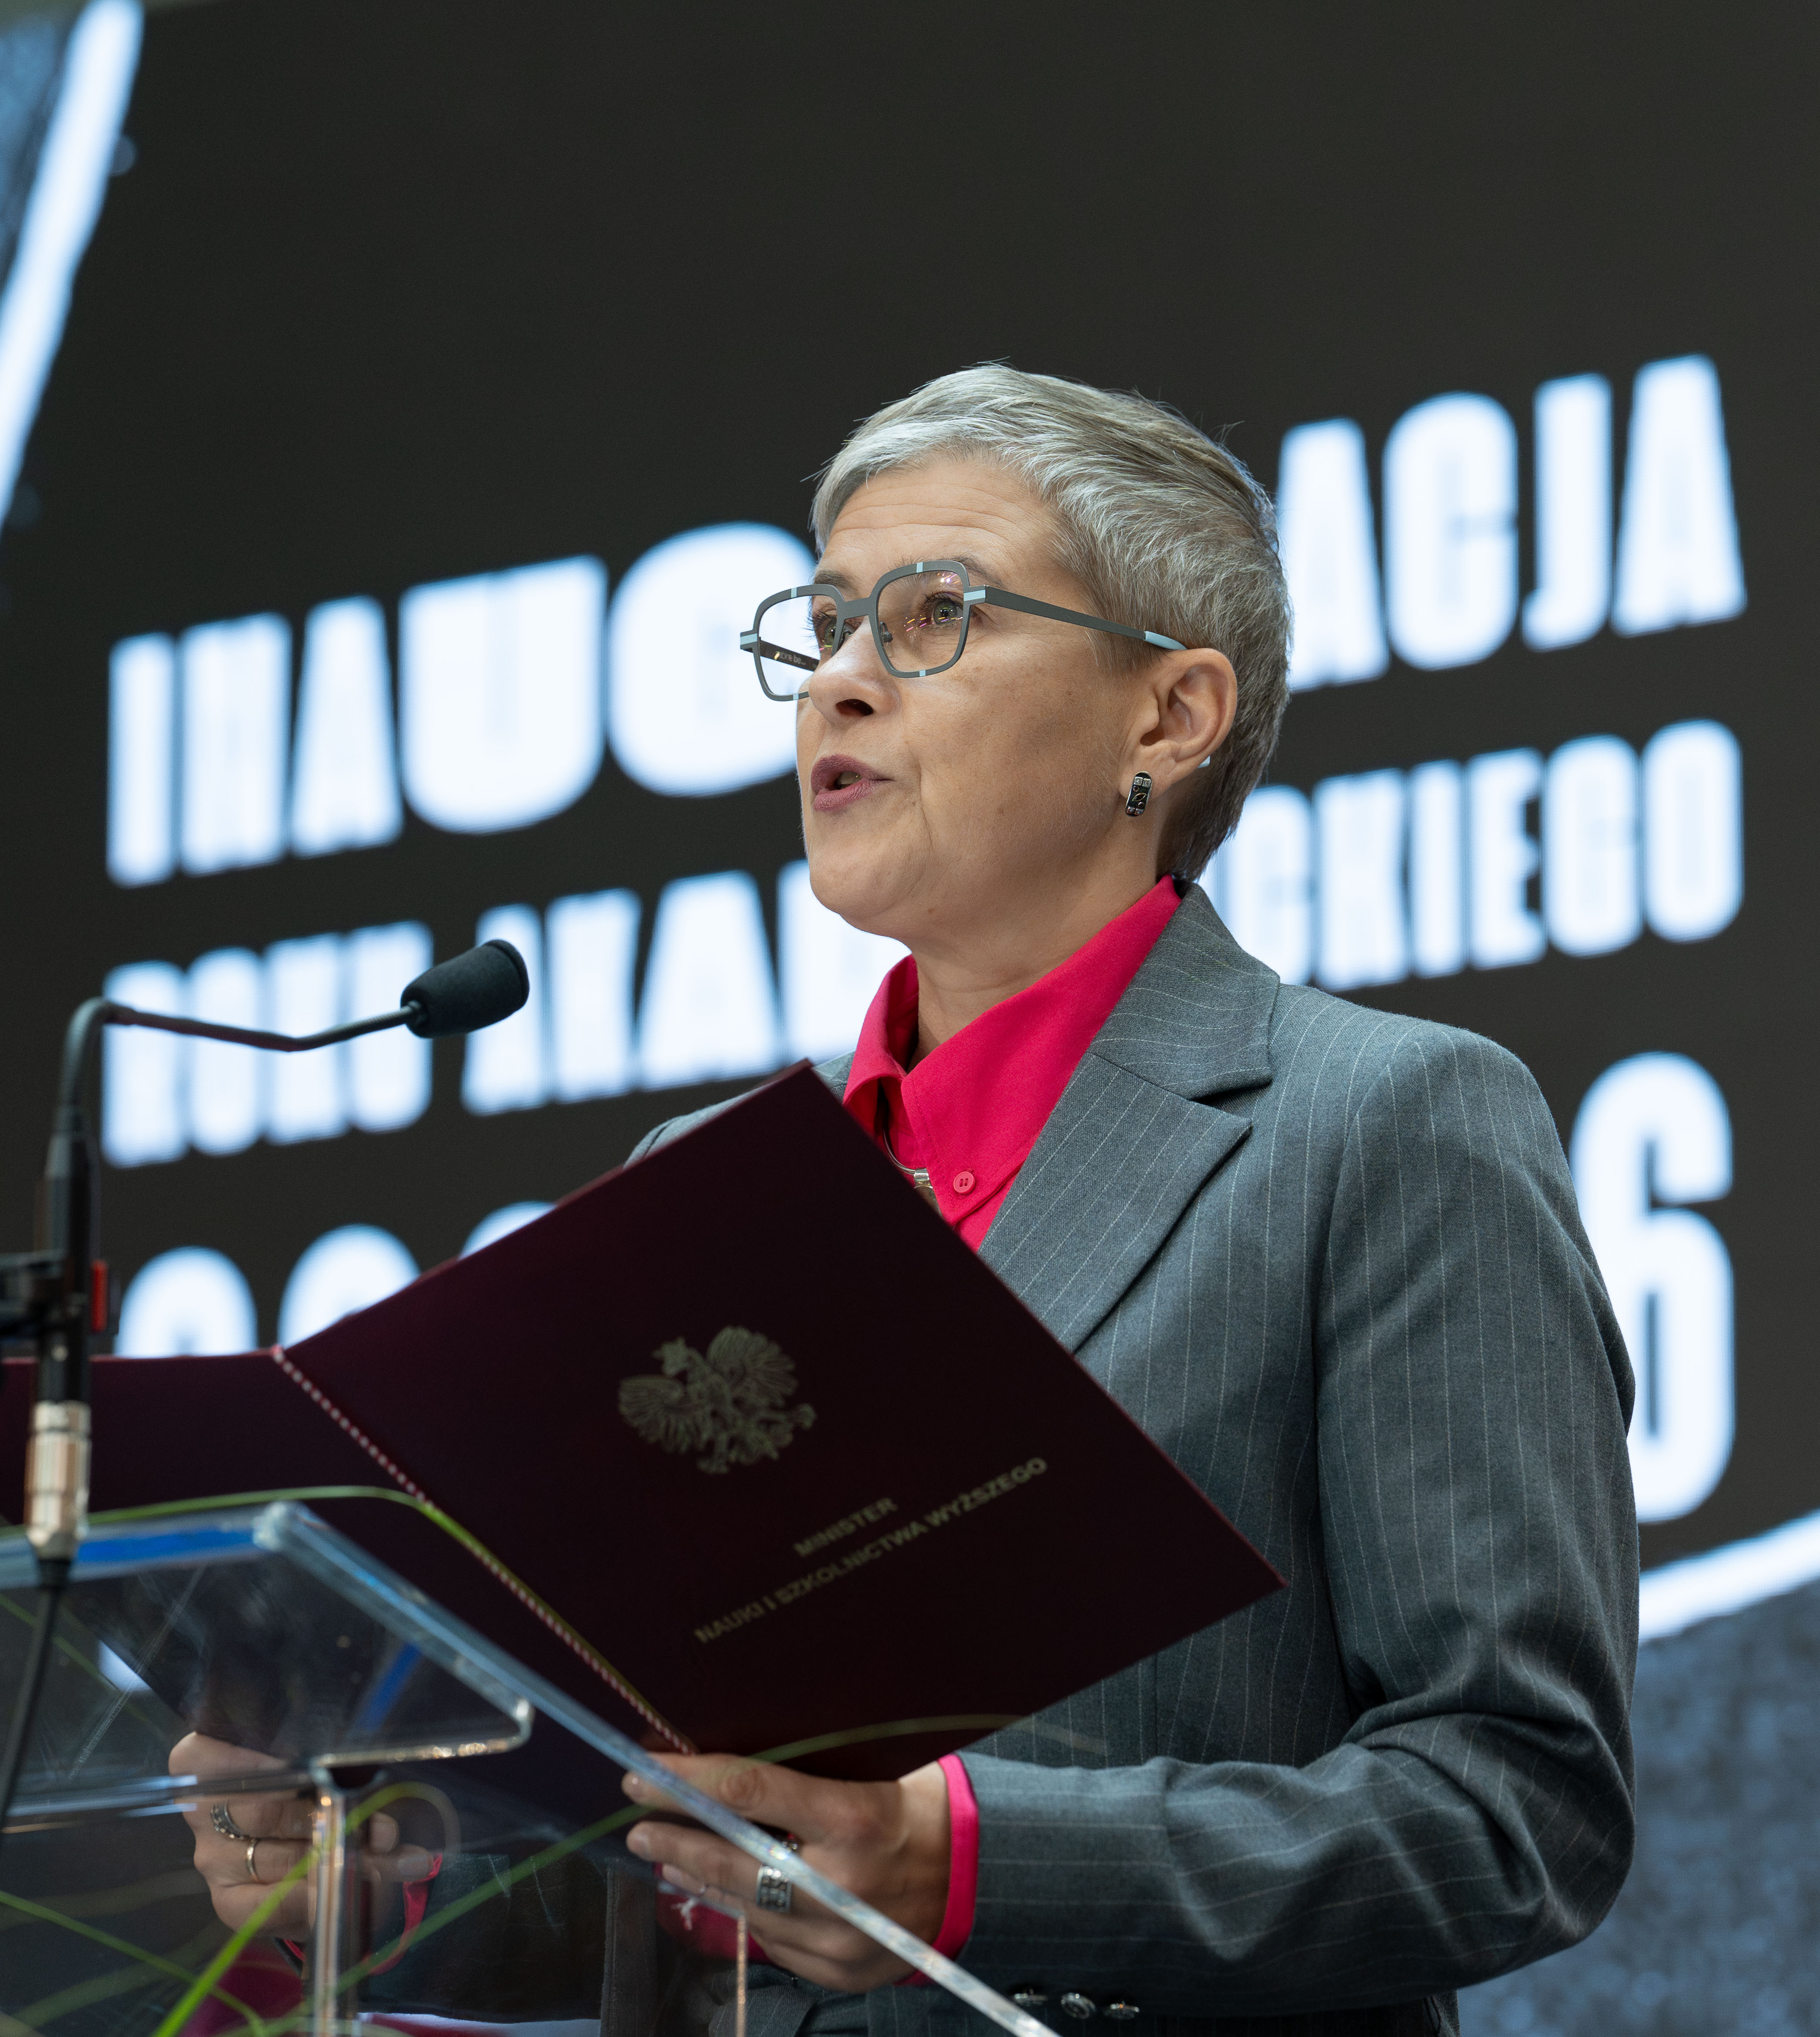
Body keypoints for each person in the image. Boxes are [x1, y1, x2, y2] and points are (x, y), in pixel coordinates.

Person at [185, 366, 1638, 2035]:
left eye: (935, 616)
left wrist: (975, 1867)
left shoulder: (1378, 1127)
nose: (841, 685)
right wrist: (379, 1884)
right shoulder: (702, 1190)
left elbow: (1516, 1808)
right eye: (824, 627)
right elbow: (668, 1874)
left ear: (1169, 718)